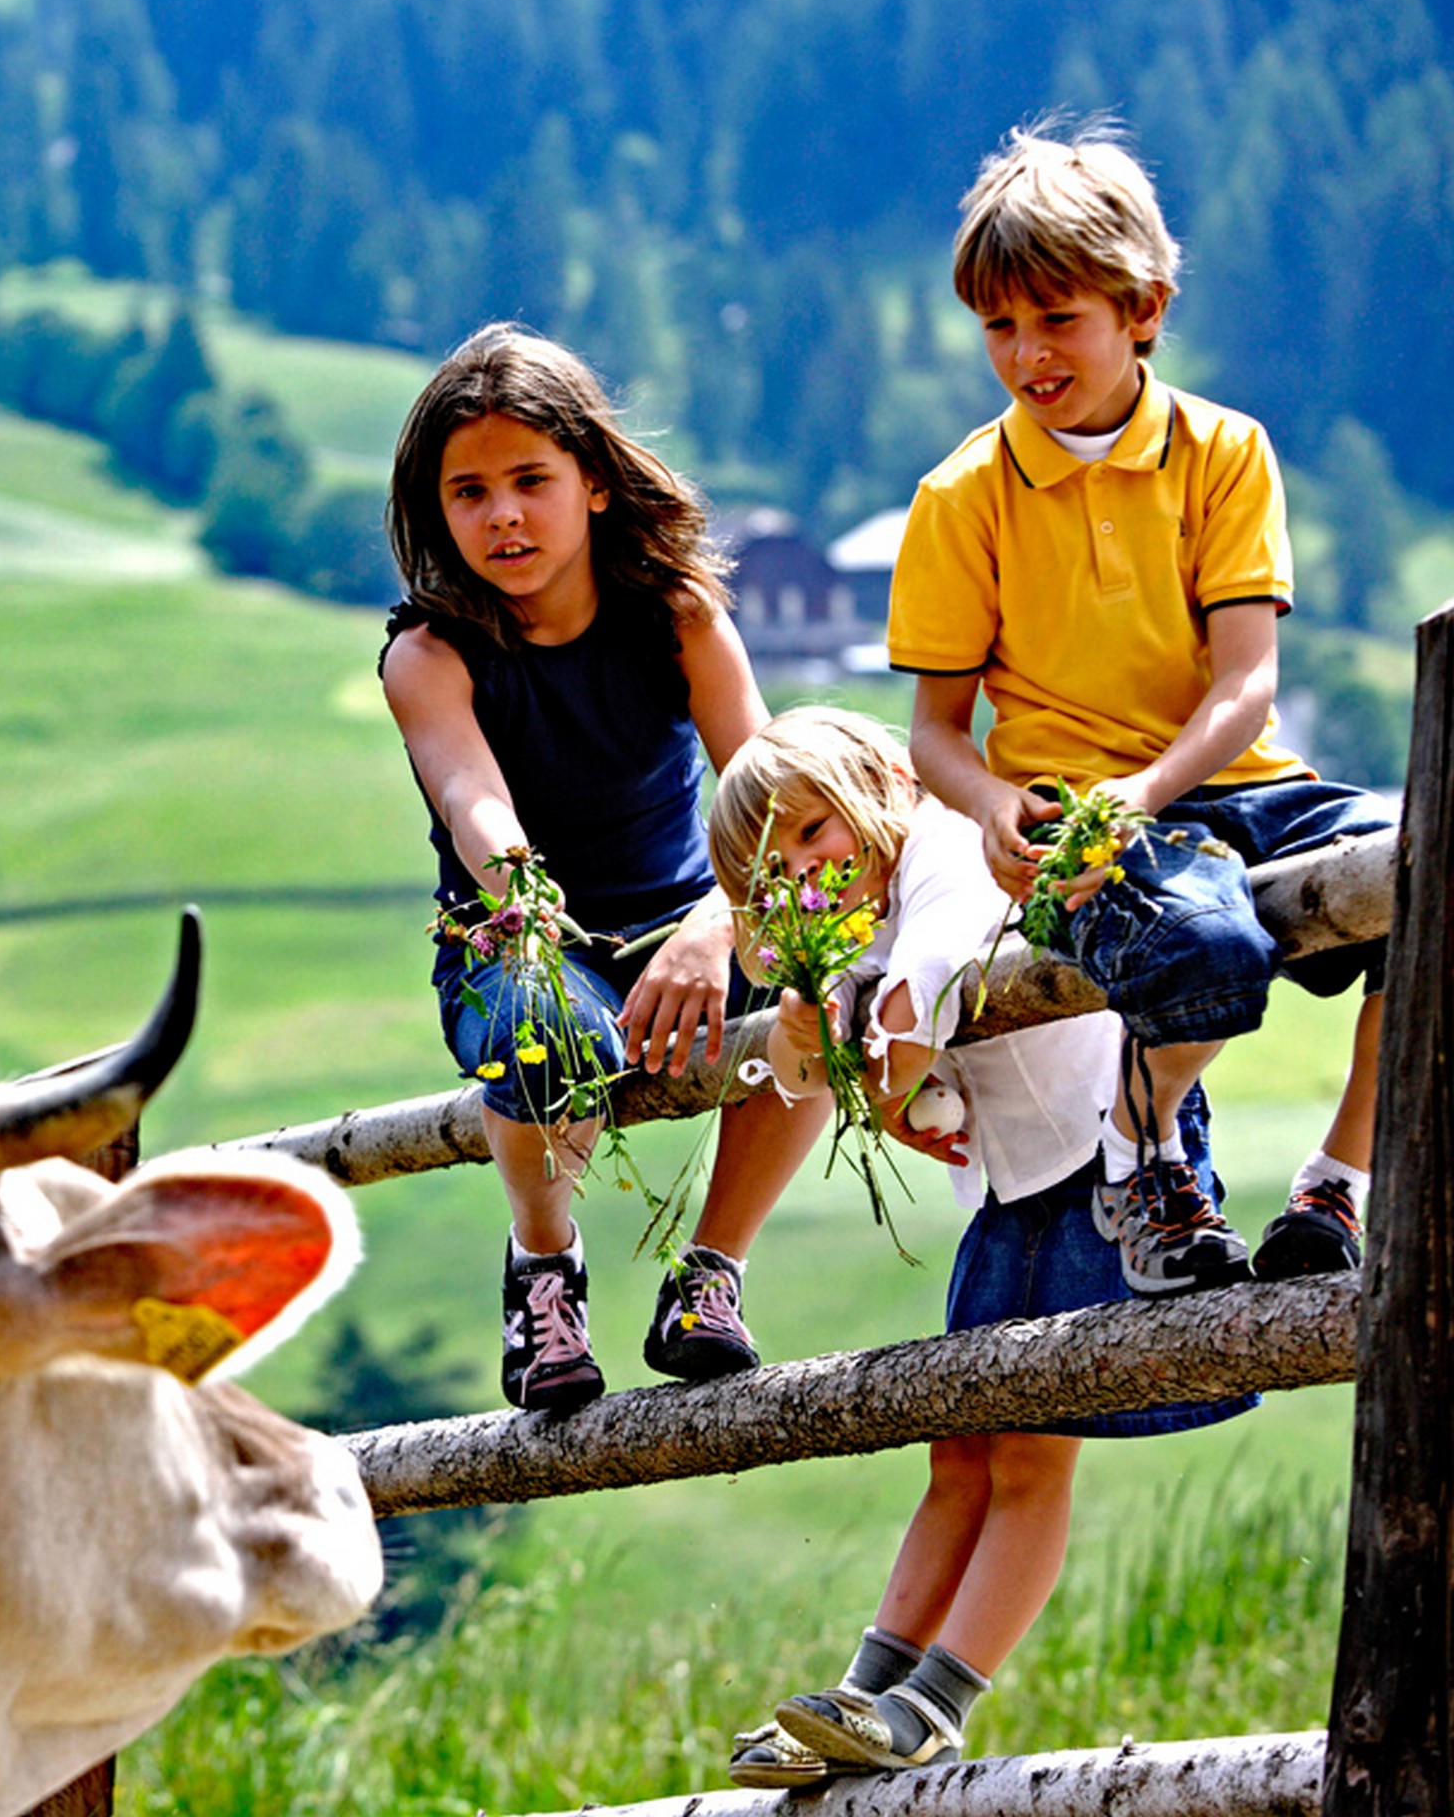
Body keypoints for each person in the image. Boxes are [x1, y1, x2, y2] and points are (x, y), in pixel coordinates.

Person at [888, 117, 1395, 1298]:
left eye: (1056, 319)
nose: (1026, 354)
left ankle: (1337, 1182)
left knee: (1430, 881)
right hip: (1075, 812)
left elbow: (1245, 682)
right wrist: (996, 806)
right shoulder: (961, 498)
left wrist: (1149, 790)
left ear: (1144, 307)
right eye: (998, 327)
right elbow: (935, 737)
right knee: (1208, 946)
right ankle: (1146, 1161)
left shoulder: (1225, 452)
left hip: (1232, 779)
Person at [704, 707, 1252, 1786]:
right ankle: (865, 1694)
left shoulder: (950, 845)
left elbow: (945, 964)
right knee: (958, 1448)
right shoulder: (869, 919)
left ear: (881, 787)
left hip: (1108, 1152)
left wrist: (898, 1068)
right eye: (776, 865)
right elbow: (896, 1059)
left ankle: (939, 1700)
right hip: (1017, 1189)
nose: (807, 869)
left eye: (815, 831)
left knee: (1030, 1452)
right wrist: (900, 1082)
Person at [378, 322, 828, 1412]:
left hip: (691, 914)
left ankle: (711, 1272)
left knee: (823, 968)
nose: (503, 516)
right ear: (437, 514)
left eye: (530, 479)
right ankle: (544, 1264)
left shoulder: (679, 618)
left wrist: (720, 923)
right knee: (550, 1027)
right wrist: (525, 902)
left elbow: (775, 800)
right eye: (469, 492)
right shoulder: (428, 655)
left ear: (592, 481)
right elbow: (471, 796)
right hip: (516, 935)